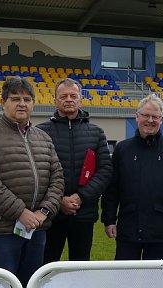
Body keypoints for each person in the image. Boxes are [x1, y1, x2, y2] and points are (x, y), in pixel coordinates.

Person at [0, 76, 64, 288]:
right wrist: (21, 212)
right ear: (3, 103)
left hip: (37, 229)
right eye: (15, 98)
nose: (22, 103)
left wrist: (43, 212)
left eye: (27, 99)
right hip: (2, 230)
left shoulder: (43, 138)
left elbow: (57, 178)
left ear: (33, 103)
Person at [101, 93, 163, 260]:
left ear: (161, 119)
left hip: (161, 229)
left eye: (155, 117)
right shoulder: (123, 149)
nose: (150, 120)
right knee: (124, 279)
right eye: (146, 115)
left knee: (154, 282)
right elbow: (112, 189)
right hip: (128, 227)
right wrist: (109, 219)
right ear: (137, 116)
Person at [36, 78, 112, 263]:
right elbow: (38, 171)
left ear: (80, 99)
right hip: (51, 214)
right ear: (55, 100)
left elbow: (105, 170)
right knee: (46, 266)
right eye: (63, 96)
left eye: (73, 96)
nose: (68, 99)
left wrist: (80, 197)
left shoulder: (96, 132)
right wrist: (58, 200)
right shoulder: (40, 132)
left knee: (80, 266)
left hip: (83, 214)